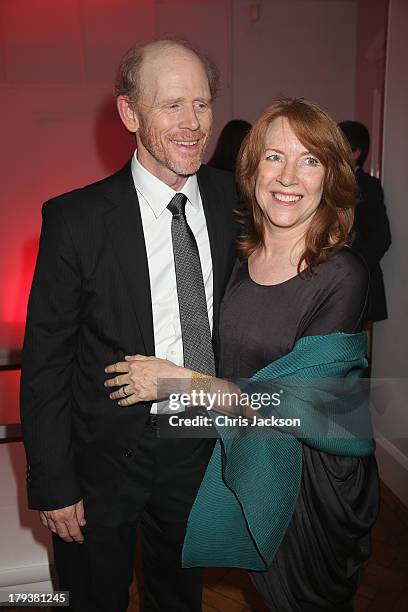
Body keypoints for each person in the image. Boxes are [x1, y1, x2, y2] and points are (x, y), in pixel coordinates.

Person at [106, 98, 380, 612]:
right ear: (251, 169)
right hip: (255, 462)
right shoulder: (238, 255)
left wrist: (176, 382)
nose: (289, 176)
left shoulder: (342, 274)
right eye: (274, 157)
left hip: (314, 482)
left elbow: (290, 404)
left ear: (331, 177)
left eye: (310, 160)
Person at [20, 39, 238, 611]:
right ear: (129, 113)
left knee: (179, 596)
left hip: (199, 448)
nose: (193, 124)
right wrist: (53, 481)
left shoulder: (236, 201)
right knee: (93, 598)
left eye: (202, 103)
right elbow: (47, 363)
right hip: (101, 461)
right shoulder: (74, 220)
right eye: (172, 105)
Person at [339, 120, 391, 322]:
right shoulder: (322, 180)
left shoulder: (369, 187)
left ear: (355, 153)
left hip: (358, 278)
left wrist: (353, 268)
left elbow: (382, 238)